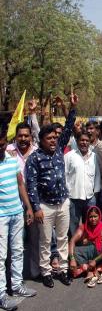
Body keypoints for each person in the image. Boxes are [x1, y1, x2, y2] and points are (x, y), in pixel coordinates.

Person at [25, 93, 78, 288]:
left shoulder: (59, 149)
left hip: (63, 202)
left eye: (55, 138)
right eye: (49, 138)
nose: (54, 141)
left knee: (63, 238)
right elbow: (31, 185)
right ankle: (46, 272)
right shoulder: (34, 158)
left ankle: (62, 270)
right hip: (45, 207)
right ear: (41, 140)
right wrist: (36, 208)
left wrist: (72, 109)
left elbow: (68, 129)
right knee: (46, 241)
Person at [0, 127, 37, 311]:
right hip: (1, 217)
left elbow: (20, 184)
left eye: (2, 145)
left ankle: (16, 286)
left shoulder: (12, 160)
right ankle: (1, 295)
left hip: (17, 213)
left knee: (17, 251)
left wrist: (28, 207)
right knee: (1, 256)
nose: (0, 149)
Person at [65, 130, 101, 237]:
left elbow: (97, 175)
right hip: (73, 197)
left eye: (86, 140)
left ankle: (89, 243)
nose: (84, 143)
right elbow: (64, 175)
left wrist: (96, 193)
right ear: (77, 141)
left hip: (90, 197)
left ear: (89, 142)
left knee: (91, 223)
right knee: (73, 225)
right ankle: (74, 247)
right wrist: (67, 194)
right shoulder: (69, 156)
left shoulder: (95, 156)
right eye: (82, 140)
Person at [68, 206, 102, 287]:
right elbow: (72, 240)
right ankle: (91, 270)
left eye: (95, 216)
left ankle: (92, 266)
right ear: (87, 217)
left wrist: (95, 261)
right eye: (90, 217)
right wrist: (72, 259)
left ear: (99, 216)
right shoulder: (84, 226)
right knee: (72, 250)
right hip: (92, 251)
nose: (93, 219)